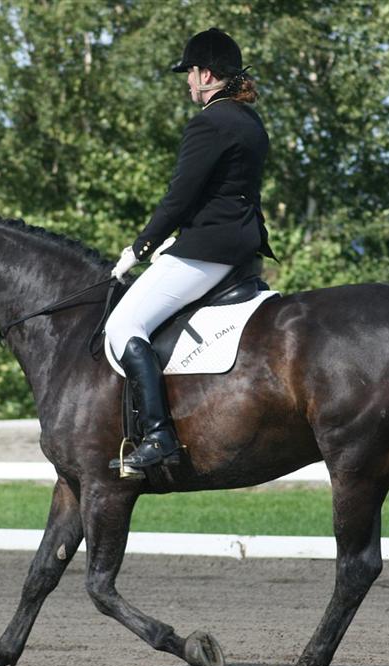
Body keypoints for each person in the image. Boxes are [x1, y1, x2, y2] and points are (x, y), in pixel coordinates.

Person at [105, 27, 273, 474]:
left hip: (209, 249)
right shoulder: (249, 120)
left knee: (124, 325)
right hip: (240, 244)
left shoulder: (209, 122)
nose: (187, 82)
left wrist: (139, 247)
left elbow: (179, 198)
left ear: (207, 74)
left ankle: (159, 436)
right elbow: (218, 194)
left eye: (190, 73)